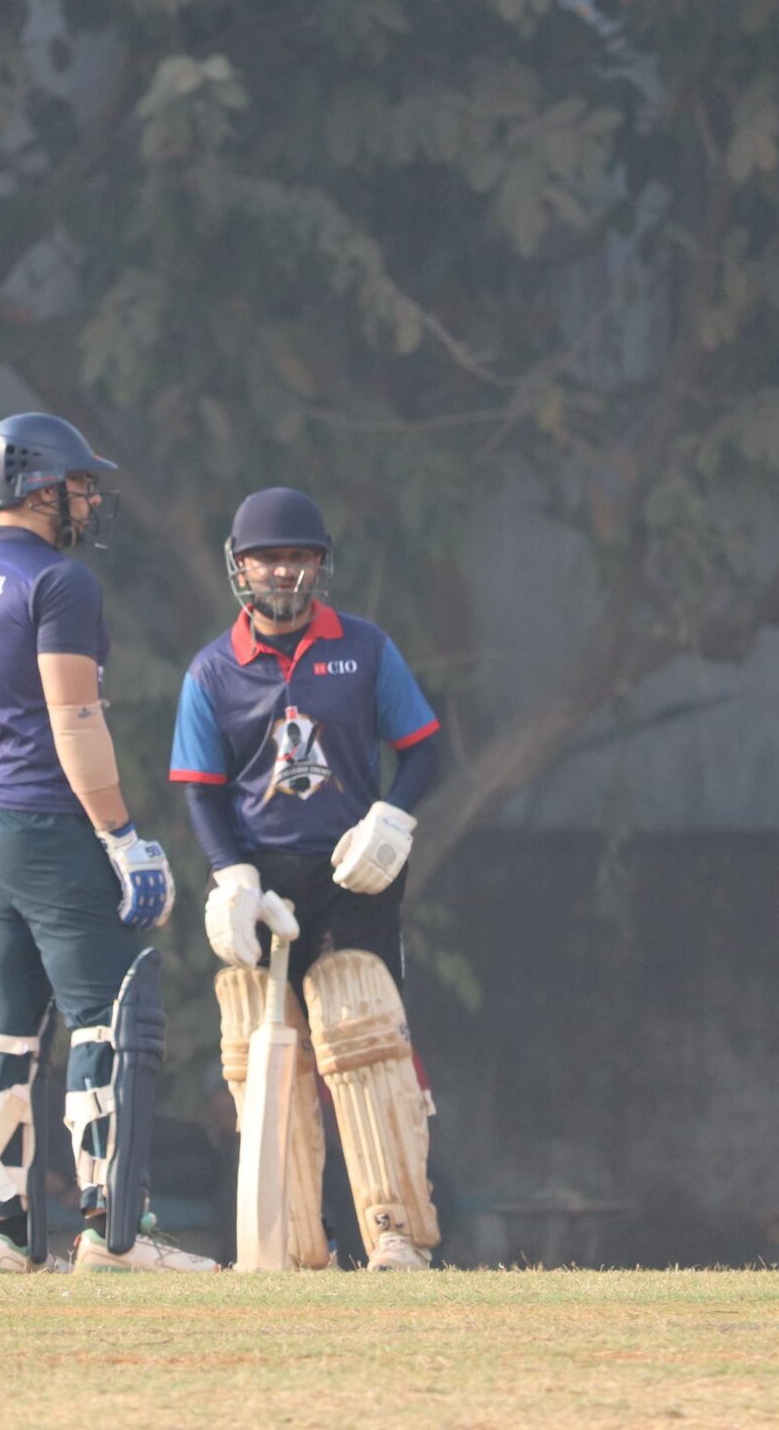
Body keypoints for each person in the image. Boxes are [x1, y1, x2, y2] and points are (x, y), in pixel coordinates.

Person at [0, 412, 211, 1274]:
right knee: (110, 1014)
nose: (89, 500)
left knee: (1, 1029)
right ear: (39, 487)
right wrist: (120, 834)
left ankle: (7, 1237)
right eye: (80, 484)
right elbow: (75, 717)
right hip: (49, 824)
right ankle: (115, 1234)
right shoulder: (61, 581)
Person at [171, 487, 448, 1270]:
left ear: (321, 564)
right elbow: (200, 789)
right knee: (267, 1057)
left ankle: (394, 1231)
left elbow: (423, 746)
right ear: (240, 566)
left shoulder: (363, 647)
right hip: (265, 882)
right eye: (269, 558)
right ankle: (294, 1241)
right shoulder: (213, 670)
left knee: (366, 1040)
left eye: (299, 557)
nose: (284, 571)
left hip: (354, 870)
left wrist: (392, 817)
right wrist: (230, 875)